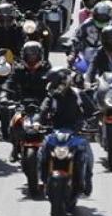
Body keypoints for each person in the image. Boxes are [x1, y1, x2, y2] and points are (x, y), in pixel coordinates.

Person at [37, 67, 94, 196]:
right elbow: (43, 110)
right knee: (42, 150)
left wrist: (92, 122)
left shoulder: (78, 94)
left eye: (55, 83)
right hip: (55, 132)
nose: (53, 86)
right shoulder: (52, 96)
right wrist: (38, 123)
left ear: (64, 82)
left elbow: (92, 111)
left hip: (76, 132)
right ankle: (42, 179)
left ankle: (87, 179)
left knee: (87, 152)